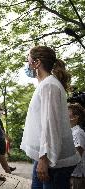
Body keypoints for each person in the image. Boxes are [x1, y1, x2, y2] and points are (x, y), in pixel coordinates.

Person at [20, 46, 80, 189]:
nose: (26, 63)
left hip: (52, 161)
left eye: (28, 59)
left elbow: (50, 125)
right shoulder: (46, 85)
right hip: (46, 156)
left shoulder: (49, 86)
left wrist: (44, 159)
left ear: (37, 63)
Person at [68, 103, 85, 189]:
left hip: (76, 176)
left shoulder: (78, 132)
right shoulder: (70, 131)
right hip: (70, 174)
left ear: (75, 117)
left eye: (68, 111)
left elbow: (77, 156)